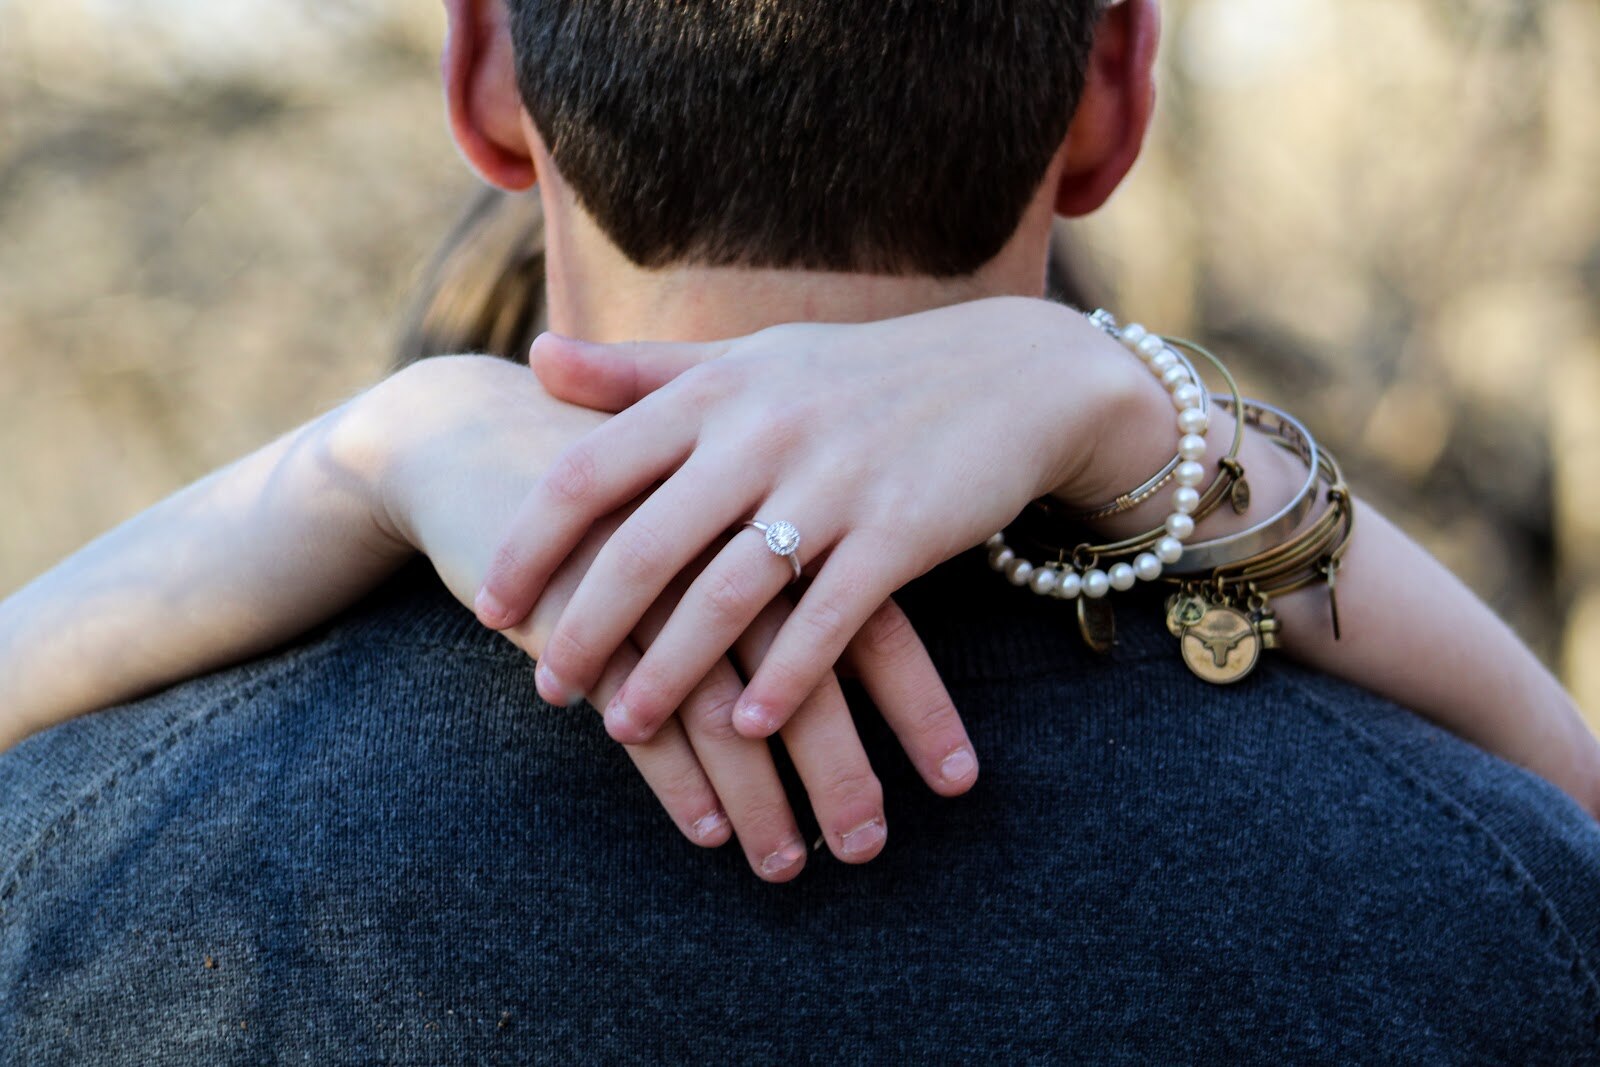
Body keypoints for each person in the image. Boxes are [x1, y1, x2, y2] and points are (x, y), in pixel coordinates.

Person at [2, 0, 1598, 1060]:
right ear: (1115, 90)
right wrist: (1145, 412)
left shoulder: (65, 885)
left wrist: (353, 458)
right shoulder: (1507, 901)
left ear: (485, 71)